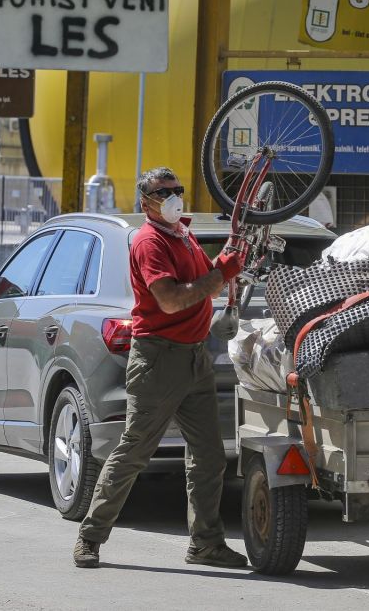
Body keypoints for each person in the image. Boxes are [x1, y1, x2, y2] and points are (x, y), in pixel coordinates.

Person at [73, 167, 247, 569]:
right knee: (134, 451)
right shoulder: (149, 241)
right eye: (163, 192)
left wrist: (224, 264)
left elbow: (205, 278)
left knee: (208, 456)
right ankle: (89, 536)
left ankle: (205, 544)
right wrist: (222, 273)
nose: (173, 196)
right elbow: (170, 300)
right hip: (158, 360)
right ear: (145, 202)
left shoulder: (181, 233)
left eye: (177, 189)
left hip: (193, 358)